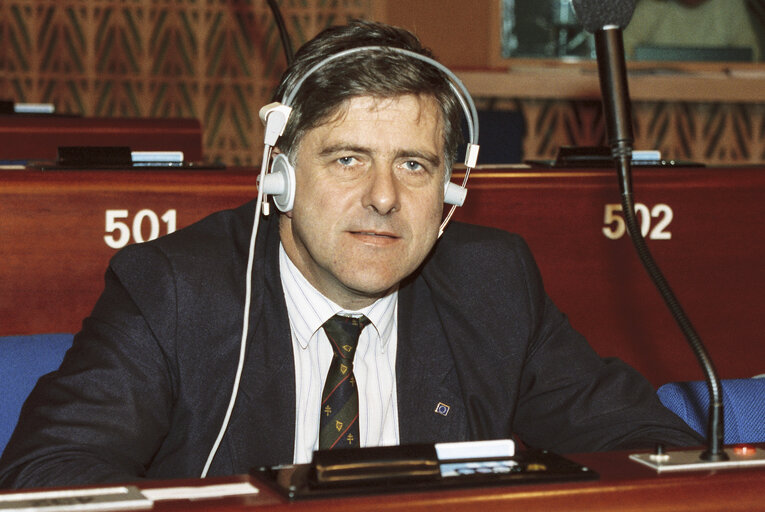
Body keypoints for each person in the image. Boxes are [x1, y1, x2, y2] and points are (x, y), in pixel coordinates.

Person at [0, 20, 702, 489]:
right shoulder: (175, 289)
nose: (383, 198)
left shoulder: (491, 281)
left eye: (415, 166)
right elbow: (49, 478)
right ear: (278, 173)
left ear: (453, 188)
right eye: (346, 159)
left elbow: (646, 443)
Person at [623, 0, 761, 61]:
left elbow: (751, 54)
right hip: (657, 97)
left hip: (716, 101)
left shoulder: (729, 5)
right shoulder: (653, 5)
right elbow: (622, 52)